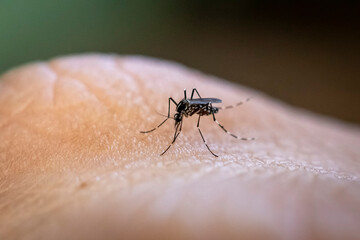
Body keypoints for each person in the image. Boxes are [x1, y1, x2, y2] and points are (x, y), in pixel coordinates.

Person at [1, 54, 359, 239]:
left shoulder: (196, 109)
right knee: (184, 107)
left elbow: (199, 108)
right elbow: (180, 107)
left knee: (204, 124)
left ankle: (224, 138)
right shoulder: (181, 108)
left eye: (176, 118)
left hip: (208, 105)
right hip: (196, 104)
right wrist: (166, 121)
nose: (178, 118)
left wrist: (209, 121)